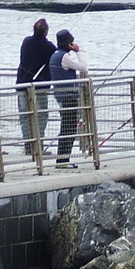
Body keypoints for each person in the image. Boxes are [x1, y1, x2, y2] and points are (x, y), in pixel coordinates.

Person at [48, 29, 90, 168]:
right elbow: (84, 68)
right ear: (69, 43)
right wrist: (78, 51)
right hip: (69, 96)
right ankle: (63, 160)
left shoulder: (54, 55)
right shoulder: (66, 57)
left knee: (66, 126)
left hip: (60, 95)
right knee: (70, 128)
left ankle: (63, 159)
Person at [16, 18, 56, 155]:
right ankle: (38, 146)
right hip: (39, 87)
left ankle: (28, 146)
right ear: (46, 31)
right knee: (41, 116)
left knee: (25, 117)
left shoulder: (26, 42)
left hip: (22, 84)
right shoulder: (49, 47)